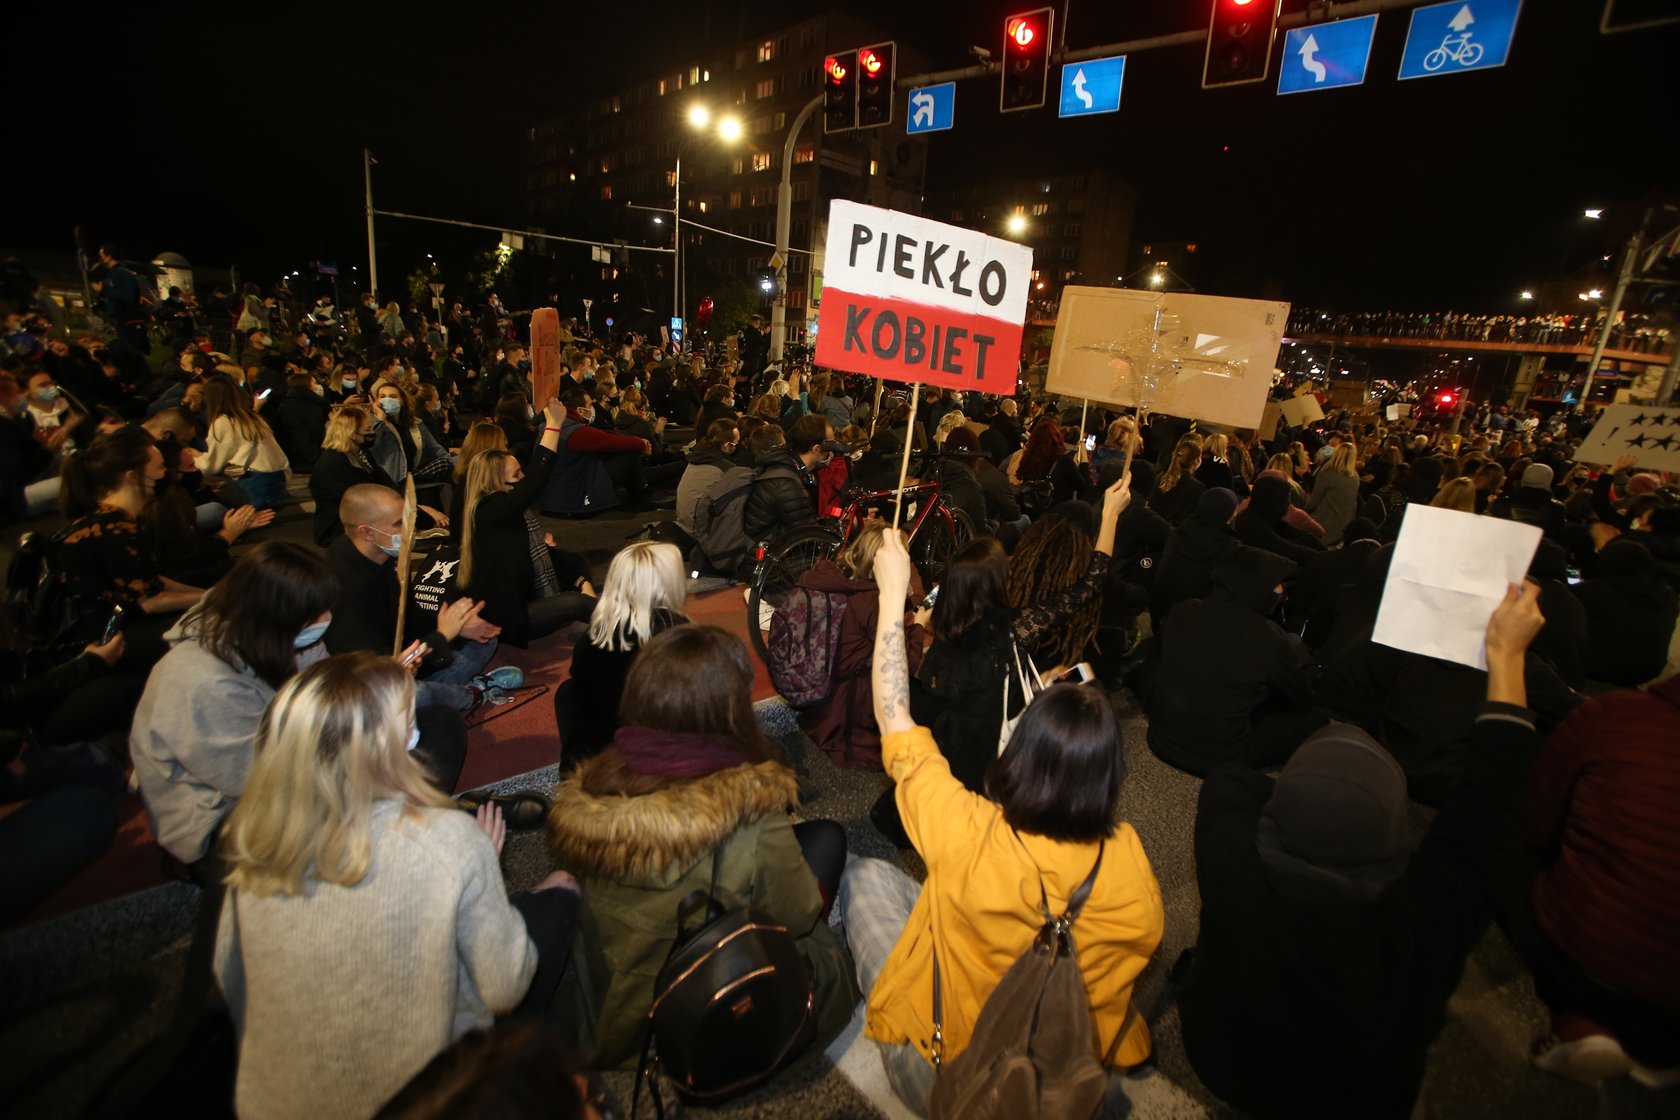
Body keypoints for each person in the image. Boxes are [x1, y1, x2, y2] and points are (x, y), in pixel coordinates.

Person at [1178, 583, 1547, 1119]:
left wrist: (1299, 795)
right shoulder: (1421, 921)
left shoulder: (1229, 854)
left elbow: (1229, 781)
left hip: (1222, 1063)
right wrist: (1507, 659)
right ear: (1399, 837)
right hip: (1357, 1101)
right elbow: (1490, 811)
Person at [840, 529, 1164, 1116]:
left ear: (1021, 754)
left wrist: (891, 595)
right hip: (1063, 1078)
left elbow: (894, 716)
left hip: (947, 1074)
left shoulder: (965, 831)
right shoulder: (1134, 871)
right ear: (1110, 775)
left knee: (864, 874)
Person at [215, 652, 581, 1120]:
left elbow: (231, 987)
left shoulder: (253, 849)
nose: (417, 733)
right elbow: (506, 986)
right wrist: (483, 866)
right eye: (409, 724)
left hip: (273, 1106)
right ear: (383, 746)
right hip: (429, 1099)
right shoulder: (446, 841)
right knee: (562, 889)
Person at [545, 625, 858, 1070]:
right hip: (712, 1007)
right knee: (828, 840)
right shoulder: (748, 810)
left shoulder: (593, 789)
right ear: (727, 708)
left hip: (616, 1012)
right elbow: (800, 912)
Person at [129, 542, 340, 874]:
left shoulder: (278, 635)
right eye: (314, 613)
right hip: (217, 815)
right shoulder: (201, 682)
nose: (324, 619)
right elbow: (258, 780)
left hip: (287, 763)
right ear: (277, 614)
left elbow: (325, 687)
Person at [1514, 670, 1680, 1085]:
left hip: (1587, 964)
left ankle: (1580, 1021)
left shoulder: (1615, 717)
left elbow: (1535, 827)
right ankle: (1657, 1048)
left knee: (1505, 848)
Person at [323, 484, 509, 714]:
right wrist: (442, 635)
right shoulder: (343, 587)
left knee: (483, 640)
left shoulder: (383, 556)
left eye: (408, 519)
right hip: (369, 682)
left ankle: (440, 694)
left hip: (402, 656)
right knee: (414, 693)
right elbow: (378, 670)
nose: (410, 529)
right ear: (367, 533)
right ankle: (471, 694)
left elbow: (408, 618)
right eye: (398, 523)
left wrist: (456, 626)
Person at [1147, 547, 1326, 775]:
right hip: (1219, 757)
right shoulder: (1269, 638)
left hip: (1160, 738)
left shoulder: (1182, 610)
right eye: (1277, 584)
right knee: (1315, 720)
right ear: (1257, 585)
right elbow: (1300, 698)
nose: (1281, 591)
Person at [55, 429, 205, 669]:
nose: (164, 473)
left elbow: (147, 580)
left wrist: (209, 594)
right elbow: (148, 601)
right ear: (132, 477)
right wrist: (211, 598)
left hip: (112, 622)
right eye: (159, 467)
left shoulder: (107, 520)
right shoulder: (117, 529)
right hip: (103, 638)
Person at [458, 402, 596, 648]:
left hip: (527, 590)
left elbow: (536, 554)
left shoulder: (507, 512)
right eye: (516, 476)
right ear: (495, 483)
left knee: (577, 565)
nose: (522, 479)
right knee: (577, 603)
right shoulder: (488, 511)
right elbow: (535, 482)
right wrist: (553, 425)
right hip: (511, 615)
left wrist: (581, 581)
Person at [791, 524, 928, 771]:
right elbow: (904, 665)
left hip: (819, 688)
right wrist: (918, 626)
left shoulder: (830, 580)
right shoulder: (873, 603)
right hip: (850, 705)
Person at [553, 541, 689, 767]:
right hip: (652, 766)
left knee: (567, 692)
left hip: (591, 769)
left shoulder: (594, 636)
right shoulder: (677, 635)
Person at [1571, 538, 1678, 688]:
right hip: (1648, 671)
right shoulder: (1668, 596)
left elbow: (1566, 597)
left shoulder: (1596, 590)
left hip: (1597, 667)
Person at [195, 375, 290, 511]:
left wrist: (195, 458)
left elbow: (211, 466)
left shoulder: (223, 422)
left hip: (255, 489)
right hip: (277, 484)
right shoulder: (253, 418)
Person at [742, 412, 832, 541]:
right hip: (764, 550)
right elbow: (808, 537)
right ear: (816, 449)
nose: (833, 452)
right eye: (830, 446)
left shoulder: (784, 465)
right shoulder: (789, 485)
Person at [674, 418, 740, 539]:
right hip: (699, 532)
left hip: (684, 523)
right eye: (736, 444)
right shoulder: (723, 467)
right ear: (726, 445)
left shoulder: (699, 456)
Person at [1306, 443, 1361, 544]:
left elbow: (1313, 502)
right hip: (1344, 527)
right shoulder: (1355, 477)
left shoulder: (1328, 473)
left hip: (1324, 525)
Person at [1147, 437, 1207, 526]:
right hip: (1171, 531)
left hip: (1149, 524)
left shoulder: (1161, 477)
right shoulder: (1197, 487)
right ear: (1197, 461)